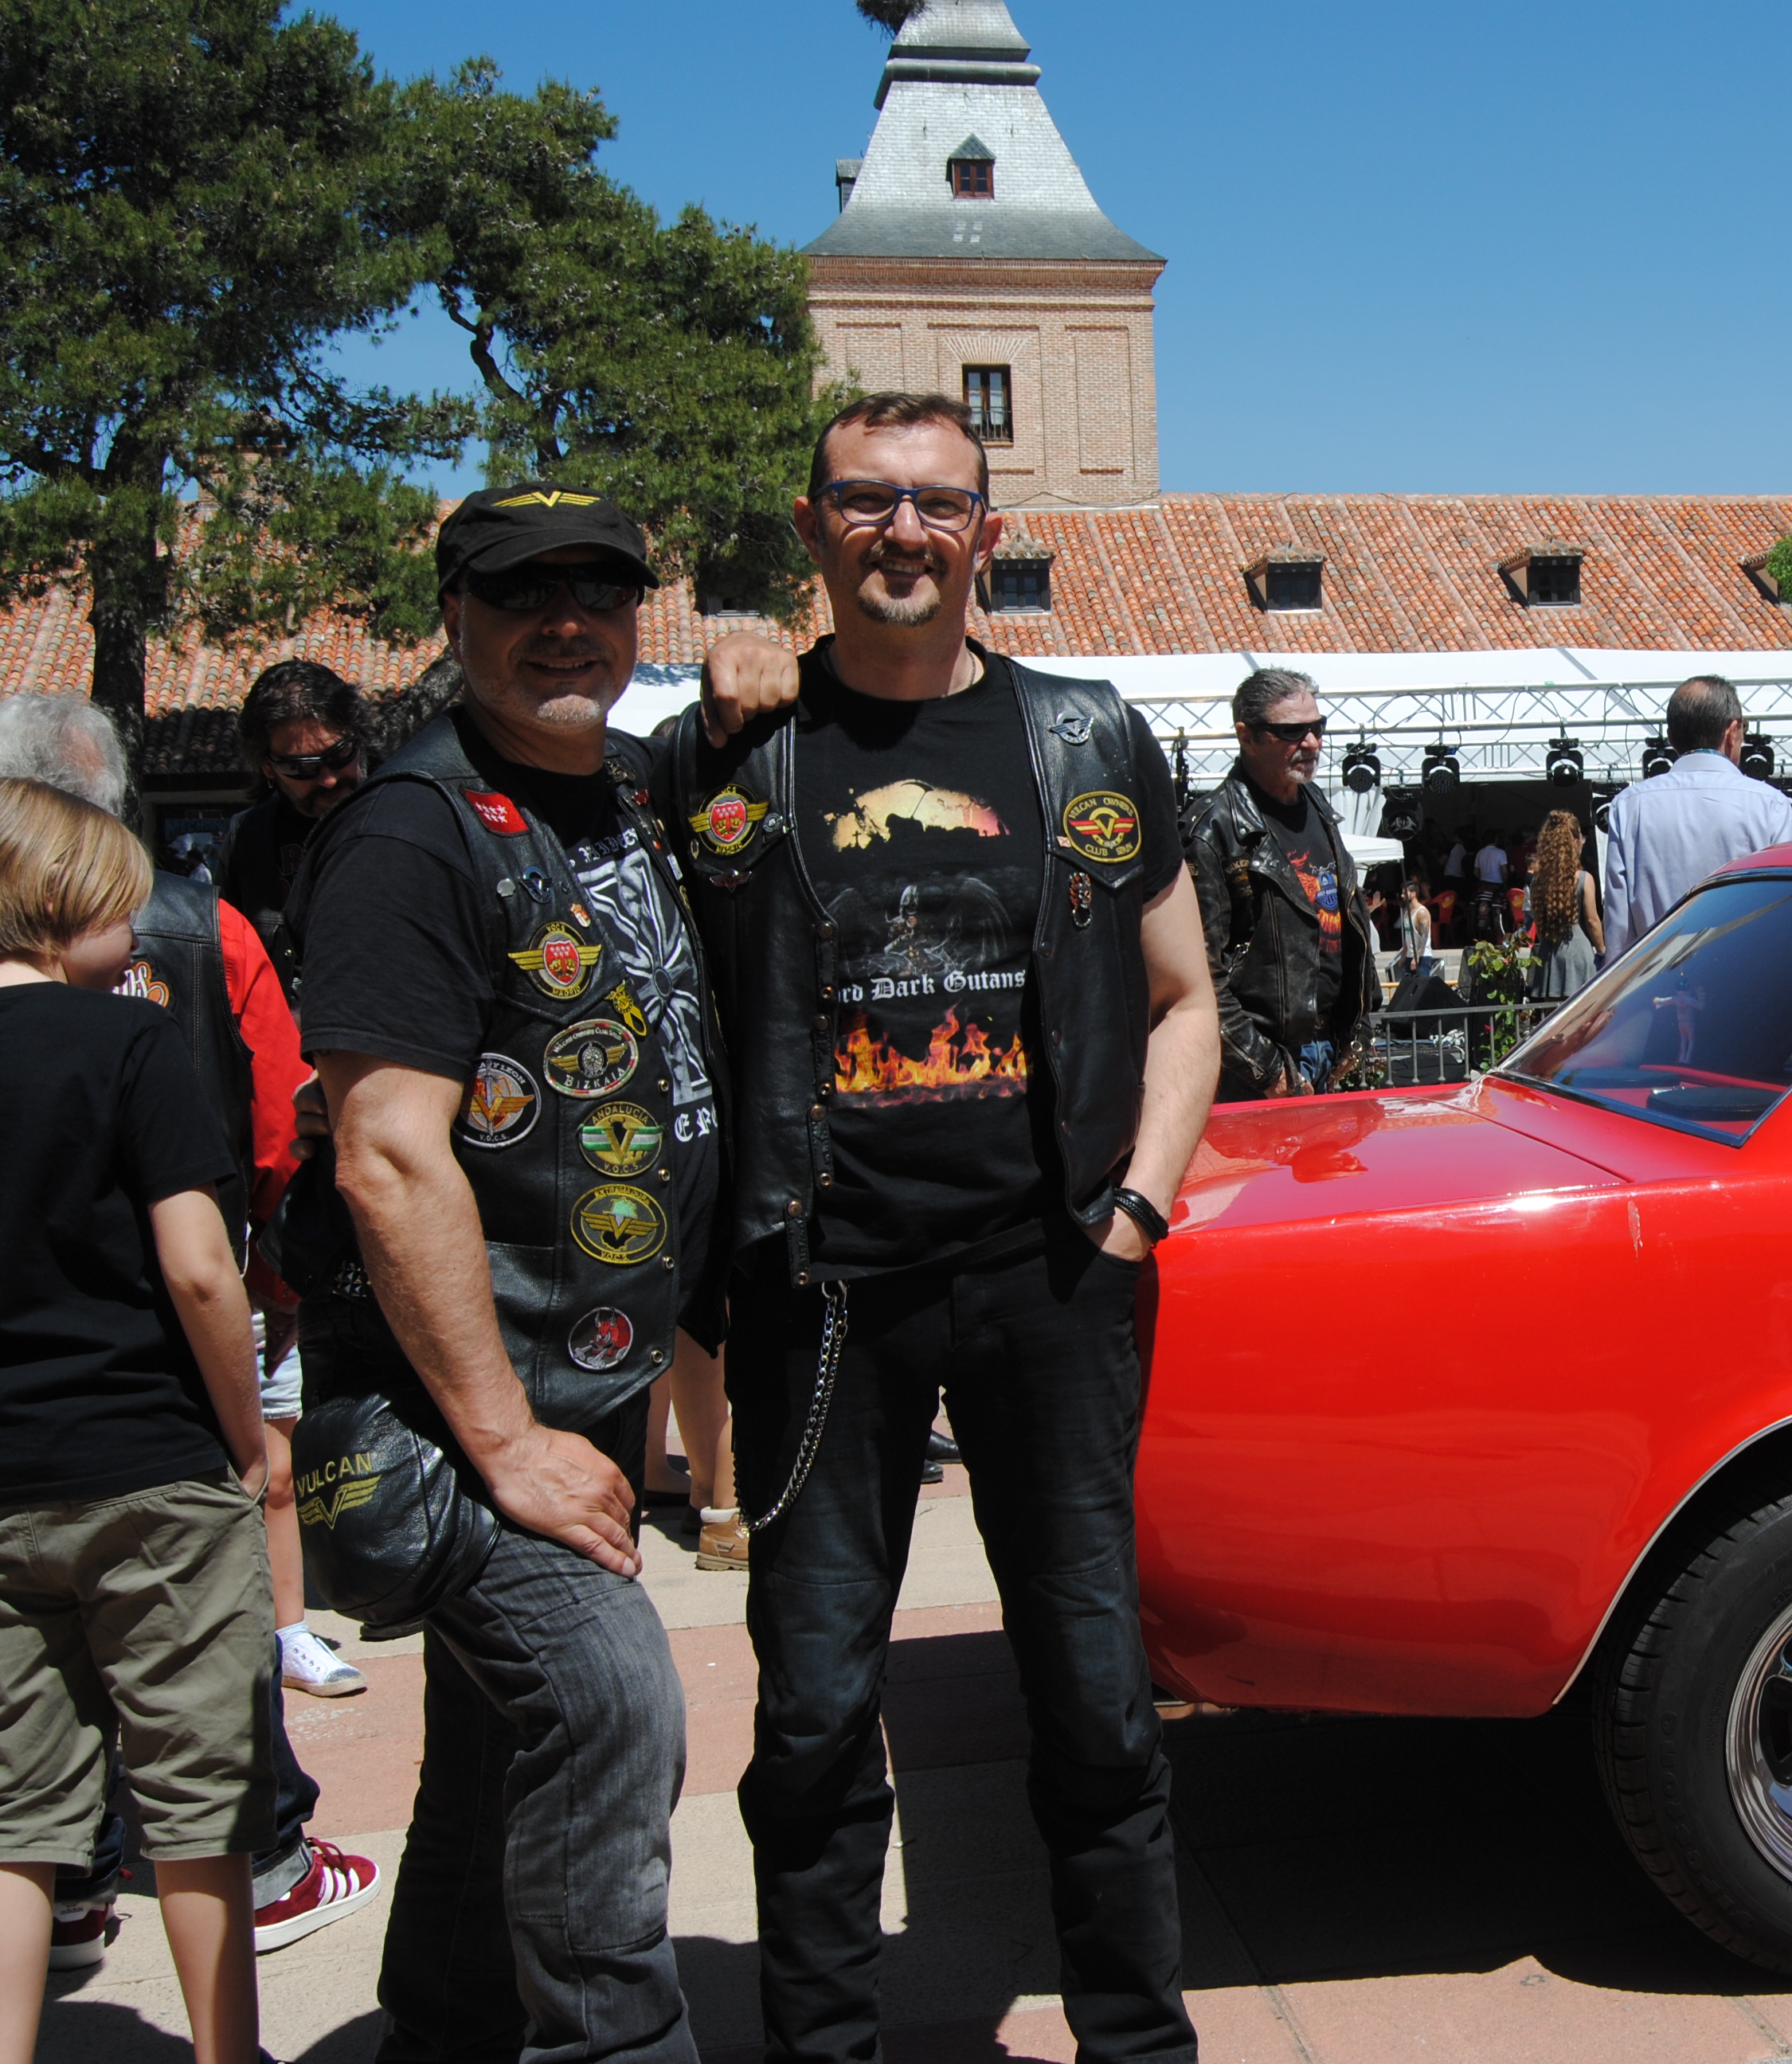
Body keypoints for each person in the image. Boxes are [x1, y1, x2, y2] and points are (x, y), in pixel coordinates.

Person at [680, 391, 1220, 2064]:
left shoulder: (1087, 739)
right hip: (821, 1296)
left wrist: (1134, 1211)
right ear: (812, 525)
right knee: (814, 1705)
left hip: (1051, 1278)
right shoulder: (727, 755)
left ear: (987, 532)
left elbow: (1185, 1000)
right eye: (866, 499)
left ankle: (1138, 2043)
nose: (903, 531)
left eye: (937, 503)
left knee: (1094, 1691)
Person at [288, 483, 715, 2064]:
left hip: (575, 1378)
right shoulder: (411, 832)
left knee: (489, 1751)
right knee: (608, 1703)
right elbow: (386, 1156)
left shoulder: (627, 791)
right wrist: (505, 1437)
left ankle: (445, 2031)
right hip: (464, 1402)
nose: (566, 622)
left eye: (599, 591)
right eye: (524, 593)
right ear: (454, 616)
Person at [0, 695, 378, 1974]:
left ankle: (71, 1902)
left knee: (24, 1787)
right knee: (203, 1727)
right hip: (161, 1411)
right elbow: (258, 1146)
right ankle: (267, 1888)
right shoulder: (185, 949)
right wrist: (252, 1405)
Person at [0, 777, 273, 2064]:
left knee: (16, 1819)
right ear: (64, 908)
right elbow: (202, 1269)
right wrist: (249, 1438)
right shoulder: (129, 1044)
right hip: (152, 1467)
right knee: (199, 1806)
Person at [1183, 666, 1377, 1100]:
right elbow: (1199, 975)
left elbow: (1349, 919)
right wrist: (1266, 1069)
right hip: (1255, 1066)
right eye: (1292, 731)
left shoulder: (1317, 806)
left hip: (1323, 1051)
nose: (1312, 743)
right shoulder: (1214, 829)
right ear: (1247, 736)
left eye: (1317, 727)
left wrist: (1359, 1026)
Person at [1599, 674, 1792, 964]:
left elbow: (1619, 929)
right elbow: (1786, 915)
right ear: (1732, 732)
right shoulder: (1770, 805)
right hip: (1746, 979)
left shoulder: (1629, 807)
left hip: (1655, 983)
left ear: (1670, 738)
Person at [214, 659, 369, 993]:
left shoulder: (405, 813)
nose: (329, 779)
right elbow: (226, 961)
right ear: (267, 767)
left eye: (340, 755)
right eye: (303, 768)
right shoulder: (248, 840)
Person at [1528, 808, 1603, 1002]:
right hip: (1579, 956)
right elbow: (1592, 921)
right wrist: (1602, 951)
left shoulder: (1537, 881)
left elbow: (1539, 923)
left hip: (1549, 957)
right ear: (1575, 842)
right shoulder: (1584, 879)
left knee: (1551, 1017)